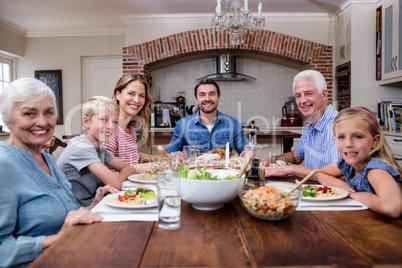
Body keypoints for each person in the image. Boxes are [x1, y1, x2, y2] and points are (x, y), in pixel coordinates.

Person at [0, 78, 115, 267]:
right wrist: (59, 238)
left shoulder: (46, 159)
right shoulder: (4, 165)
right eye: (29, 113)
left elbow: (65, 217)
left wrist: (94, 204)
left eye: (49, 112)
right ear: (6, 119)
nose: (42, 122)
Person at [57, 96, 155, 207]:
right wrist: (117, 179)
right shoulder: (81, 147)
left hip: (94, 203)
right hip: (77, 211)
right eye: (103, 120)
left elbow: (128, 168)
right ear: (86, 122)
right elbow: (116, 184)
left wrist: (117, 177)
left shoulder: (100, 148)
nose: (110, 126)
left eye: (115, 122)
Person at [316, 107, 402, 218]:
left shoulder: (375, 169)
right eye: (341, 137)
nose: (348, 144)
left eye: (357, 136)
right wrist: (342, 186)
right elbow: (321, 173)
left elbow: (392, 207)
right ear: (335, 140)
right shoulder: (347, 164)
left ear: (375, 141)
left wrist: (356, 195)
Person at [264, 70, 340, 180]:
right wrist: (270, 160)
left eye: (308, 93)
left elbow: (340, 173)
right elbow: (296, 157)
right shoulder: (310, 128)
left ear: (324, 95)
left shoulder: (338, 125)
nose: (302, 100)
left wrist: (290, 169)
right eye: (298, 95)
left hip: (335, 195)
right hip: (315, 193)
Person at [165, 78, 247, 155]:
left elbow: (245, 151)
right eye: (202, 95)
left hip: (224, 170)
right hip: (195, 170)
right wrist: (173, 155)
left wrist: (248, 154)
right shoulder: (182, 125)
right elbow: (169, 154)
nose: (207, 99)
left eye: (212, 94)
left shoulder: (233, 123)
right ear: (196, 99)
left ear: (219, 97)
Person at [106, 74, 161, 165]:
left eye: (142, 96)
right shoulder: (110, 130)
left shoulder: (130, 129)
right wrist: (140, 169)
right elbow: (103, 174)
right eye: (131, 93)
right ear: (118, 94)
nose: (136, 100)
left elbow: (132, 156)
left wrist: (163, 157)